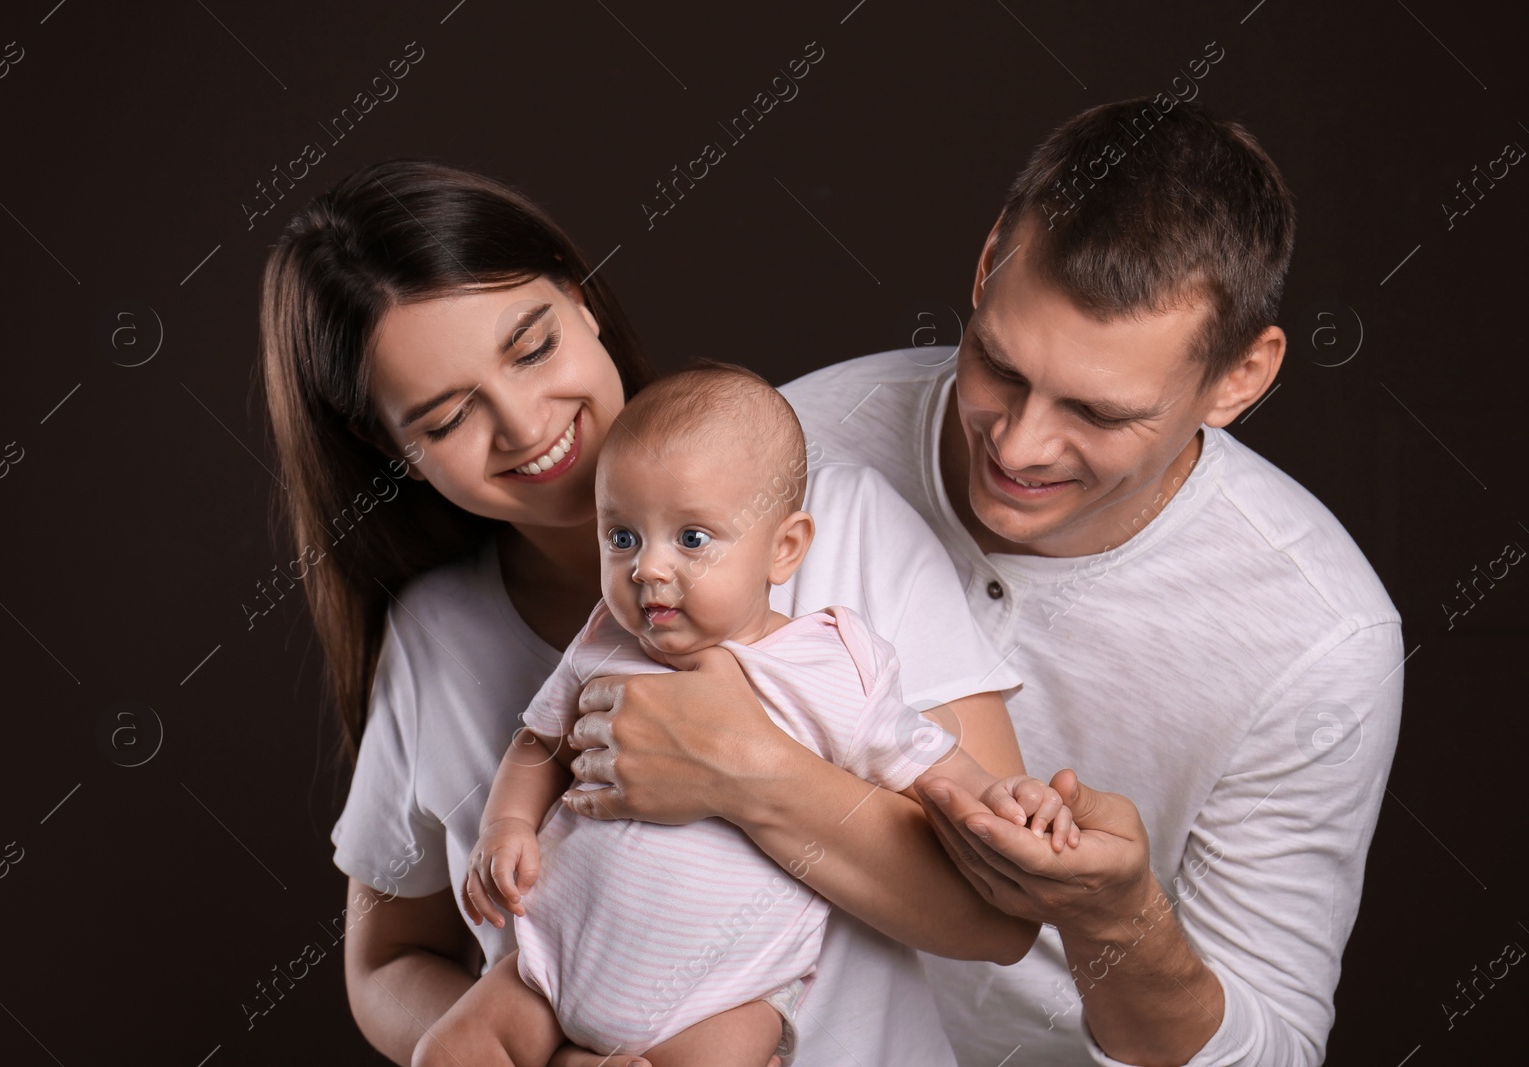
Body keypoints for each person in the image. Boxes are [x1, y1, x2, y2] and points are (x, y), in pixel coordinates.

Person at [560, 99, 1403, 1066]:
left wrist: (1121, 919)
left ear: (1240, 380)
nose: (1018, 442)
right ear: (988, 258)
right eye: (997, 364)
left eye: (1097, 411)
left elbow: (1275, 1055)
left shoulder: (1322, 635)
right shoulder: (788, 448)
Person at [259, 161, 1055, 1067]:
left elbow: (1000, 917)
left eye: (532, 347)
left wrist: (739, 768)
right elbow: (385, 961)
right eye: (446, 418)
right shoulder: (432, 631)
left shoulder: (843, 527)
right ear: (389, 446)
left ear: (580, 296)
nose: (524, 424)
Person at [450, 365, 1078, 1066]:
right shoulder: (603, 639)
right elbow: (538, 742)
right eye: (621, 537)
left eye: (691, 539)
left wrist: (1006, 798)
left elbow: (929, 762)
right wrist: (504, 824)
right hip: (546, 964)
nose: (647, 569)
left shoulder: (827, 664)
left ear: (784, 548)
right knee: (445, 1050)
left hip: (720, 1000)